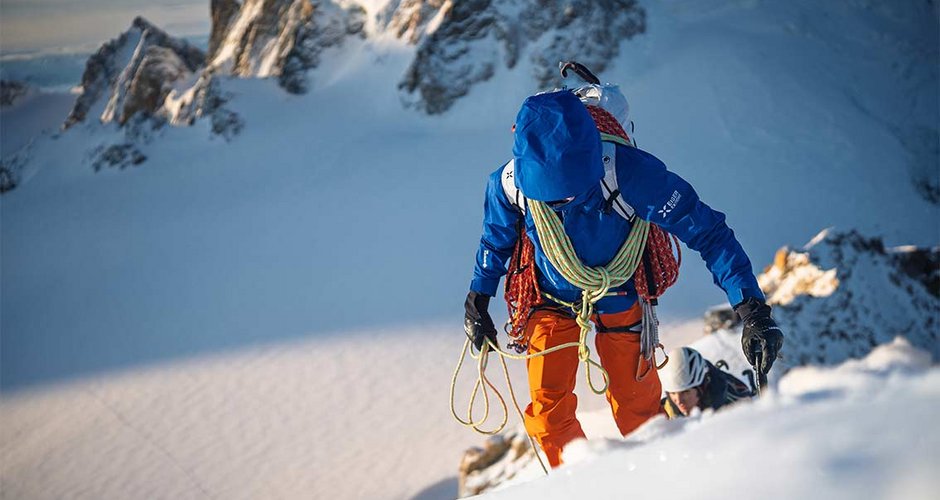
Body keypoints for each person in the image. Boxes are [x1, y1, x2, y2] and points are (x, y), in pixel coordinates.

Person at [463, 87, 783, 467]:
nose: (558, 204)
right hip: (550, 299)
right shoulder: (508, 184)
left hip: (620, 290)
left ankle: (655, 482)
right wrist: (478, 299)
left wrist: (750, 307)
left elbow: (708, 232)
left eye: (567, 194)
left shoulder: (630, 172)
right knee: (549, 417)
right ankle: (583, 488)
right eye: (549, 198)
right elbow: (495, 239)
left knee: (640, 413)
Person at [659, 346, 756, 418]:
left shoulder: (735, 400)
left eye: (685, 392)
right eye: (673, 393)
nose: (679, 400)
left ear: (700, 388)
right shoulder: (666, 410)